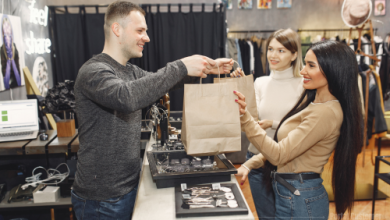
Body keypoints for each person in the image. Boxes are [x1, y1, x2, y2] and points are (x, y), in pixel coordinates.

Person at [72, 1, 233, 219]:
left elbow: (159, 82)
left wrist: (207, 68)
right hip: (102, 200)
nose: (146, 37)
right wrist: (181, 65)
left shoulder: (129, 70)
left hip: (128, 188)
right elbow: (127, 97)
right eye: (140, 31)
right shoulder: (93, 72)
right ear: (117, 29)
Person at [234, 40, 362, 219]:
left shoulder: (326, 112)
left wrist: (247, 120)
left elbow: (279, 154)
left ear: (333, 69)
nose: (302, 71)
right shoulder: (314, 103)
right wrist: (249, 165)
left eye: (311, 65)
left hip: (300, 199)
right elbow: (288, 148)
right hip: (292, 194)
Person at [231, 28, 303, 219]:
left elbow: (305, 126)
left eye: (281, 50)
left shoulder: (303, 85)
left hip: (286, 162)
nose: (273, 55)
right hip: (256, 159)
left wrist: (273, 123)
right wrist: (239, 87)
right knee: (265, 217)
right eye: (271, 49)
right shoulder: (260, 83)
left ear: (294, 54)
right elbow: (248, 122)